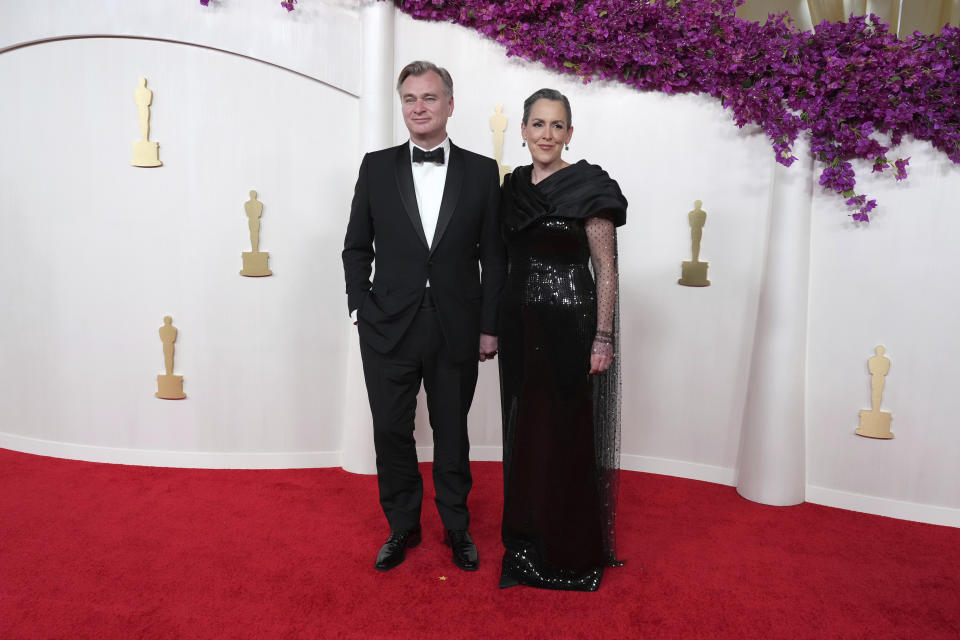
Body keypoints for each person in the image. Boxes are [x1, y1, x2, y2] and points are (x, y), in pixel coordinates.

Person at [342, 61, 506, 573]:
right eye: (410, 98)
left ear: (450, 104)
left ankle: (456, 527)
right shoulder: (376, 166)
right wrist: (359, 308)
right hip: (387, 325)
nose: (419, 107)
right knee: (391, 430)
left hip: (456, 324)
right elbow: (355, 247)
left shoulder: (481, 172)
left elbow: (495, 256)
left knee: (452, 432)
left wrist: (488, 325)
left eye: (430, 98)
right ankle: (403, 526)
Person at [498, 88, 627, 591]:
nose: (546, 135)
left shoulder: (590, 187)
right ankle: (527, 541)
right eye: (537, 124)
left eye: (556, 126)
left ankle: (568, 552)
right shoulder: (511, 189)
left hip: (572, 329)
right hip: (519, 330)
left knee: (567, 437)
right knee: (525, 434)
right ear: (524, 130)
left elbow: (607, 271)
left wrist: (602, 336)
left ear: (569, 133)